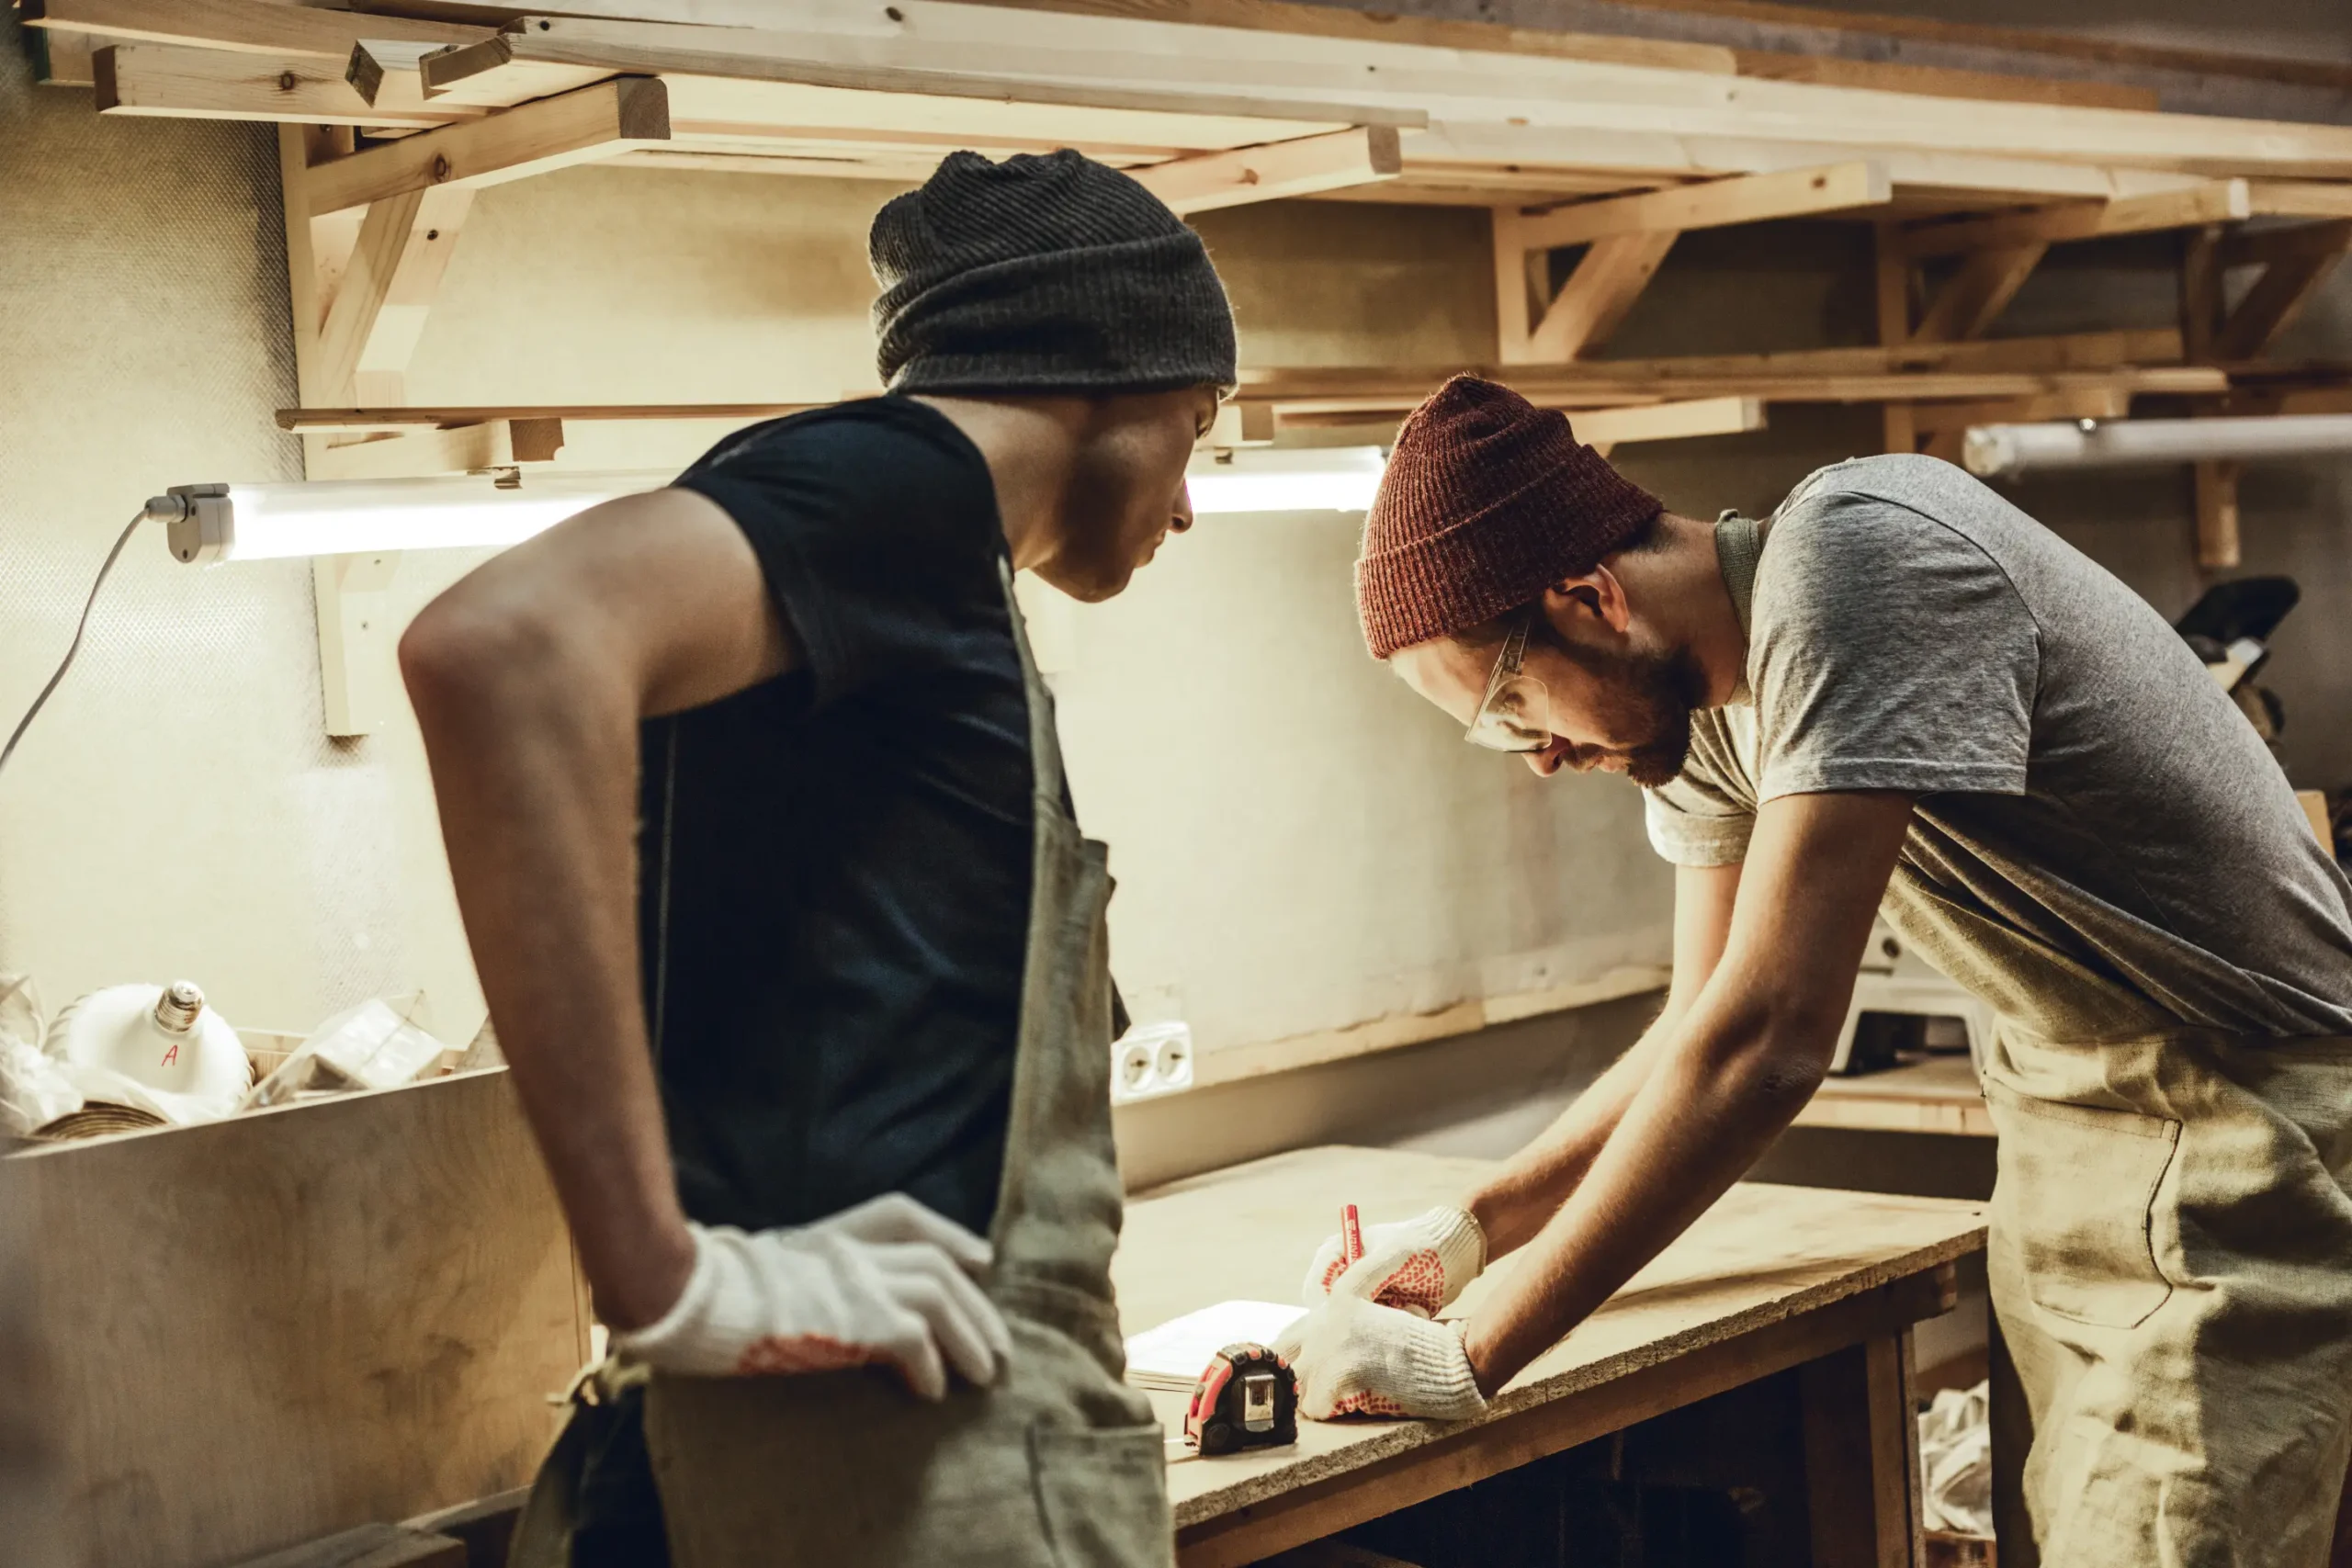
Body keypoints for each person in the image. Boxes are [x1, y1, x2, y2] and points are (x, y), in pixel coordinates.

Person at [1279, 374, 2352, 1567]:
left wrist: (1468, 1355)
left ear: (1588, 595)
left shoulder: (1855, 558)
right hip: (2065, 1131)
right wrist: (1469, 1230)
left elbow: (1769, 1041)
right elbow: (1701, 1018)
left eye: (1510, 701)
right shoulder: (1690, 718)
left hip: (2253, 1123)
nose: (1534, 756)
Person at [399, 149, 1234, 1568]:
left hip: (852, 1445)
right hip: (895, 1473)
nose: (1190, 500)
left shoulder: (910, 551)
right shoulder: (898, 489)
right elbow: (500, 647)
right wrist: (664, 1278)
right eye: (1202, 431)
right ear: (1121, 370)